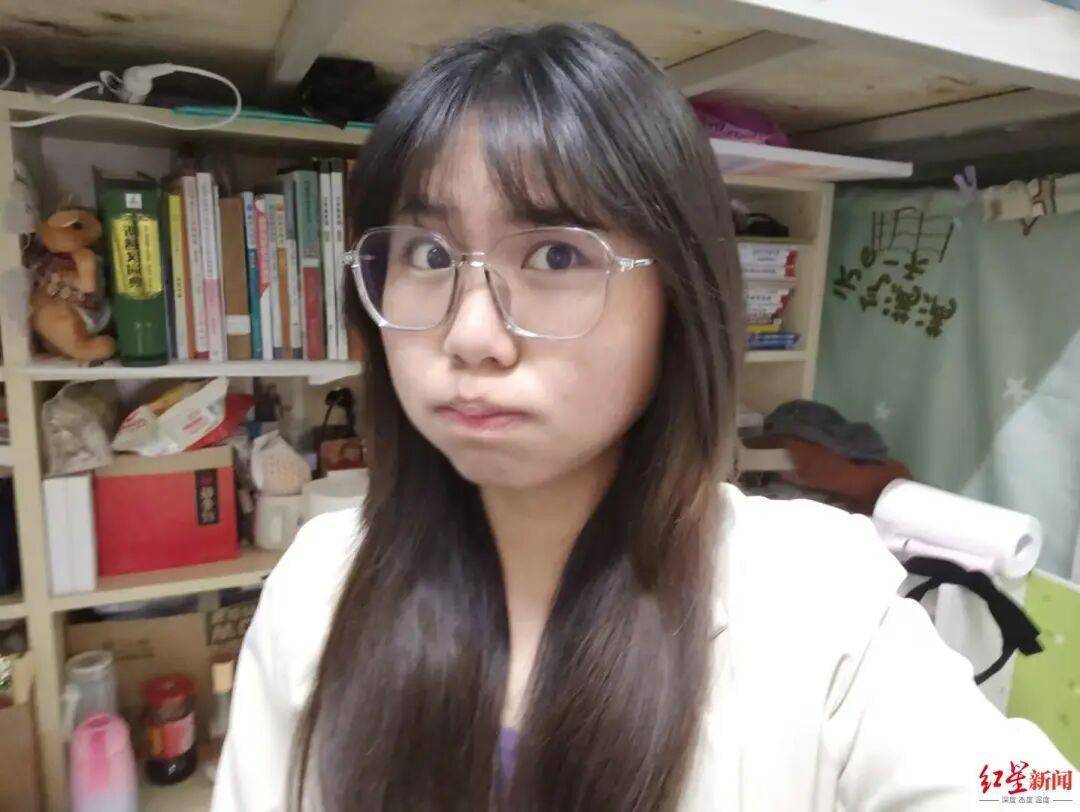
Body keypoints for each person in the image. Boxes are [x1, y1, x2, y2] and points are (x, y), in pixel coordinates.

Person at [211, 22, 1074, 811]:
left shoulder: (823, 598)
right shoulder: (316, 588)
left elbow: (1027, 788)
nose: (471, 336)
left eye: (556, 255)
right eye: (428, 253)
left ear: (679, 296)